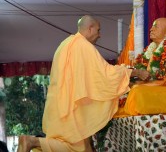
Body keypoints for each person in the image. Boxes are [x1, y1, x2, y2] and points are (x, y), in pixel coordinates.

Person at [17, 15, 150, 152]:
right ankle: (33, 141)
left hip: (59, 104)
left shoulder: (66, 44)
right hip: (72, 107)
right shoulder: (83, 45)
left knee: (80, 147)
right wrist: (136, 73)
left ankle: (32, 142)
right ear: (90, 28)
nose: (99, 35)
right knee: (76, 148)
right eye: (98, 30)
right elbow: (105, 74)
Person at [132, 17, 166, 87]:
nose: (151, 29)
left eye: (156, 27)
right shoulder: (151, 49)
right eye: (152, 26)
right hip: (152, 88)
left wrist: (142, 86)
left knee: (136, 89)